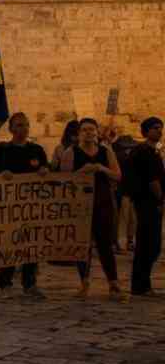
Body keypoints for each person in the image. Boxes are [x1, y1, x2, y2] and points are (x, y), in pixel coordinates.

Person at [0, 112, 50, 299]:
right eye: (18, 125)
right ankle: (5, 284)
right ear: (11, 129)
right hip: (7, 206)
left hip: (32, 206)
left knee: (31, 245)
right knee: (9, 245)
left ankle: (30, 283)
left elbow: (48, 173)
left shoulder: (37, 150)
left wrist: (44, 171)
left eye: (26, 125)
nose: (23, 129)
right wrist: (1, 176)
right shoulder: (2, 150)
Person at [59, 118, 125, 301]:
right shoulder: (70, 152)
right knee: (82, 244)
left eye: (92, 129)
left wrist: (100, 168)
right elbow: (63, 180)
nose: (89, 132)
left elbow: (118, 175)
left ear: (97, 132)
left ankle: (113, 282)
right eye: (85, 129)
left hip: (102, 201)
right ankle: (84, 282)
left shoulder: (106, 151)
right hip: (80, 203)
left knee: (105, 243)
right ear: (79, 133)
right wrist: (82, 172)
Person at [126, 117, 164, 297]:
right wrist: (161, 199)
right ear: (146, 130)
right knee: (149, 244)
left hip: (144, 202)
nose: (160, 131)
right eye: (156, 128)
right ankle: (141, 285)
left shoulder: (146, 151)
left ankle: (141, 284)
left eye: (161, 128)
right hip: (148, 202)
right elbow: (153, 180)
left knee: (148, 244)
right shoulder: (146, 152)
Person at [113, 134, 137, 252]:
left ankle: (125, 242)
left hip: (126, 192)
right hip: (126, 192)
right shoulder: (123, 157)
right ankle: (125, 242)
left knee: (126, 219)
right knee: (127, 219)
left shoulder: (119, 157)